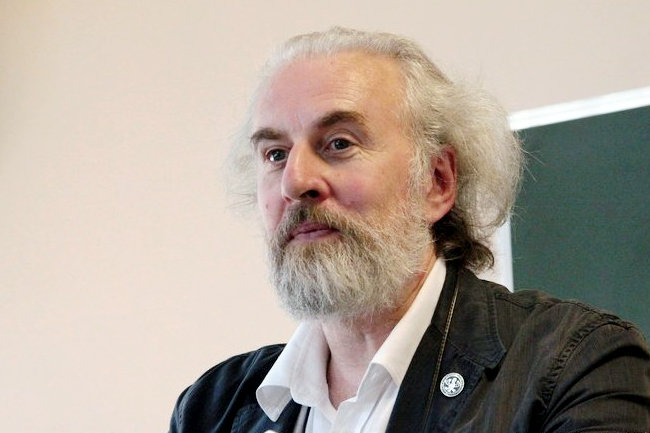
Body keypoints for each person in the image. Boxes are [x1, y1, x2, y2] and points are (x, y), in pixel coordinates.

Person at [169, 27, 650, 432]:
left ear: (436, 182)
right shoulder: (212, 409)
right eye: (275, 154)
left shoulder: (576, 364)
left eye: (338, 143)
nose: (295, 181)